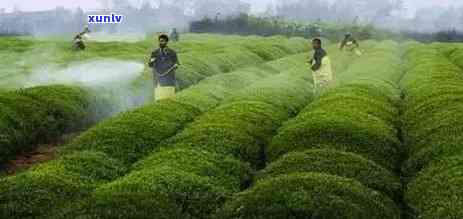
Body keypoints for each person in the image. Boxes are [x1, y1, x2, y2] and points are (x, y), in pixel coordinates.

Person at [148, 34, 179, 101]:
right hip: (158, 78)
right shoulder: (154, 53)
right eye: (160, 41)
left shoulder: (172, 52)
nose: (160, 42)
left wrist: (176, 65)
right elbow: (150, 65)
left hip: (169, 78)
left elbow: (176, 63)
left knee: (169, 98)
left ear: (166, 42)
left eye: (162, 41)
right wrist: (152, 61)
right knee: (159, 98)